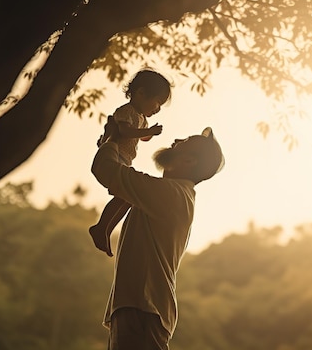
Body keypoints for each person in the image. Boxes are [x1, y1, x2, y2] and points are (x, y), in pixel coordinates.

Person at [91, 120, 224, 350]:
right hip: (140, 309)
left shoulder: (170, 195)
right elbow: (124, 181)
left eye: (183, 143)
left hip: (142, 309)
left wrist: (113, 140)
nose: (175, 142)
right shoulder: (167, 194)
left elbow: (106, 171)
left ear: (189, 161)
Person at [89, 68, 172, 257]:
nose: (157, 108)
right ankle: (102, 227)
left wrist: (149, 132)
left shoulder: (141, 118)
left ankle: (104, 228)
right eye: (157, 102)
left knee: (129, 197)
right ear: (141, 93)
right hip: (115, 157)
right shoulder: (126, 111)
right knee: (126, 194)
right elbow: (126, 132)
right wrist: (146, 131)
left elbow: (142, 138)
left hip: (124, 161)